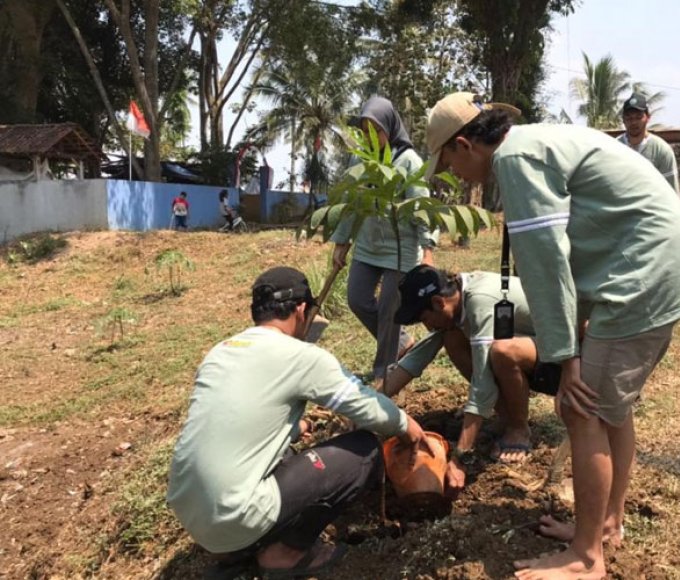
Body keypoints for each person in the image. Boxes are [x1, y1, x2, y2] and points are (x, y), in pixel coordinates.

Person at [424, 92, 680, 580]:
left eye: (446, 164)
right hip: (654, 266)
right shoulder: (536, 141)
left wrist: (566, 356)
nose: (452, 176)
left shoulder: (515, 160)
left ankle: (587, 557)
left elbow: (545, 261)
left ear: (464, 145)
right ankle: (606, 523)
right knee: (611, 408)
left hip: (641, 276)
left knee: (580, 406)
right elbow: (587, 234)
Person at [167, 266, 430, 579]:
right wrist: (406, 426)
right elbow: (364, 405)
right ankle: (285, 555)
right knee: (364, 451)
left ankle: (235, 548)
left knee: (285, 457)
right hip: (234, 514)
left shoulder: (221, 352)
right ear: (302, 309)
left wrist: (295, 428)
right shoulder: (300, 356)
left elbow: (234, 419)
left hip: (191, 510)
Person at [387, 266, 558, 491]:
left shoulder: (479, 302)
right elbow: (417, 357)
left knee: (503, 352)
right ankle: (507, 417)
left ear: (439, 303)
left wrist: (460, 457)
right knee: (452, 337)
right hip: (534, 348)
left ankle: (518, 428)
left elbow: (482, 382)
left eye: (425, 318)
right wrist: (371, 400)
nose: (428, 326)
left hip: (560, 360)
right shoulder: (456, 298)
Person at [330, 96, 437, 390]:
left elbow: (422, 209)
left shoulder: (408, 161)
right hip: (367, 245)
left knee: (390, 311)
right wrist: (341, 243)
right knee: (357, 299)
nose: (368, 137)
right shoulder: (359, 159)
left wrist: (427, 251)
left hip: (400, 250)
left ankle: (384, 373)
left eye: (373, 129)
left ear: (388, 127)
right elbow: (352, 203)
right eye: (363, 130)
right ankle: (402, 342)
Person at [617, 93, 680, 194]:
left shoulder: (662, 151)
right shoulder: (614, 148)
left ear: (648, 118)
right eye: (629, 118)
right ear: (623, 120)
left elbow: (672, 192)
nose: (633, 122)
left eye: (638, 117)